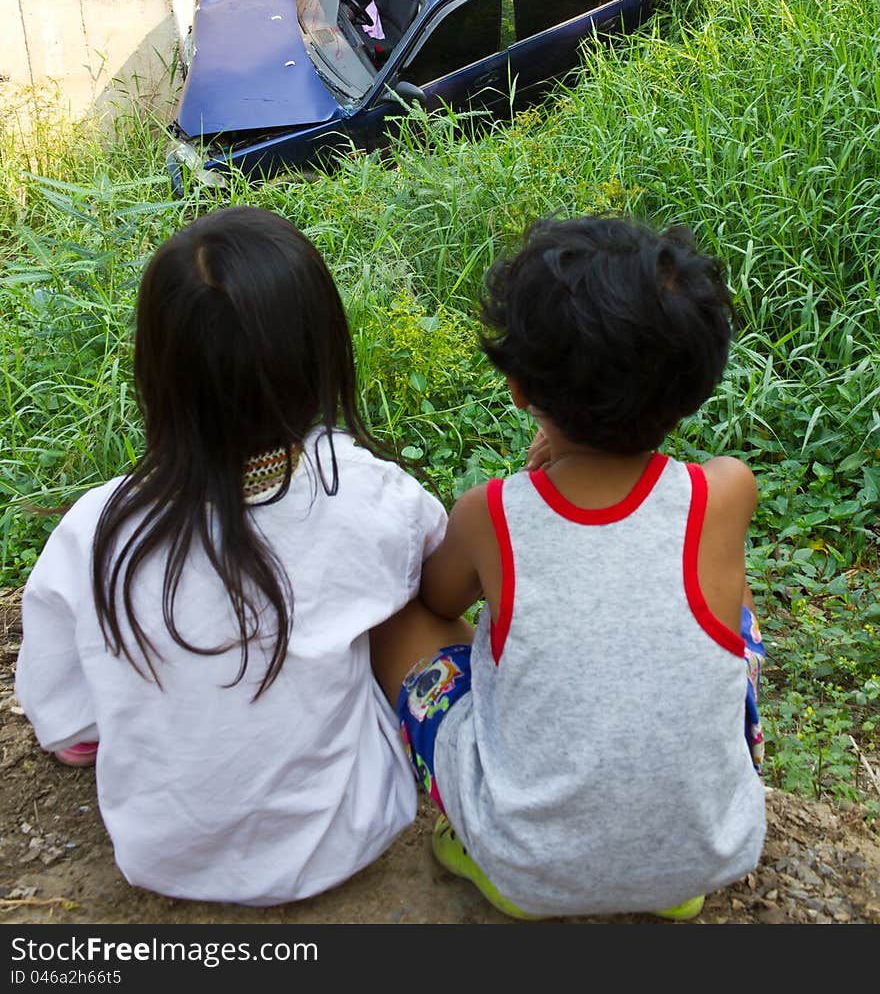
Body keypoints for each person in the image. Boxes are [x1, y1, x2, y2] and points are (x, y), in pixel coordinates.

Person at [15, 206, 448, 906]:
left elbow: (61, 718)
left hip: (163, 854)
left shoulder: (94, 529)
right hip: (349, 834)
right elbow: (439, 574)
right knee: (409, 604)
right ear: (319, 353)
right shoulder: (367, 493)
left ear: (157, 370)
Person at [371, 213, 768, 922]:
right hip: (708, 851)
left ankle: (475, 838)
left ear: (522, 390)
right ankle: (662, 861)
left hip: (525, 870)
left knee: (399, 623)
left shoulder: (490, 514)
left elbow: (435, 602)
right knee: (733, 614)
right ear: (694, 384)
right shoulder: (725, 492)